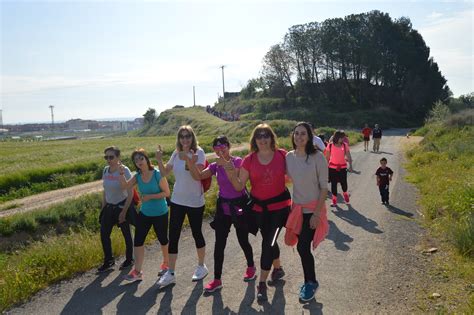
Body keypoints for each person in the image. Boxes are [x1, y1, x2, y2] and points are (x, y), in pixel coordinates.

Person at [226, 123, 291, 302]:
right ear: (254, 140)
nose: (263, 139)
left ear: (272, 138)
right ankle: (277, 268)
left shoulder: (282, 155)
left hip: (279, 208)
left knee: (268, 242)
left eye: (266, 135)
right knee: (269, 239)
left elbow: (296, 176)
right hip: (259, 210)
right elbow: (240, 186)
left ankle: (261, 283)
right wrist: (231, 173)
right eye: (259, 136)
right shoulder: (250, 159)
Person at [187, 135, 256, 293]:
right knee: (219, 244)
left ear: (228, 146)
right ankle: (217, 280)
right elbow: (198, 176)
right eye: (216, 148)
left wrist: (226, 165)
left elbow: (238, 184)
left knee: (242, 240)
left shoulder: (238, 161)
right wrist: (191, 162)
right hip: (223, 207)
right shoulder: (214, 166)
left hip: (238, 206)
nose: (220, 150)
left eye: (223, 146)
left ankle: (251, 266)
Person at [155, 125, 208, 288]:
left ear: (192, 137)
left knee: (196, 233)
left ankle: (201, 266)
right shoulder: (176, 154)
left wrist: (189, 161)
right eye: (182, 137)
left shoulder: (199, 153)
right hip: (177, 200)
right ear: (179, 139)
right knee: (174, 235)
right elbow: (164, 173)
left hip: (194, 201)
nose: (185, 139)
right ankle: (170, 273)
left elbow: (197, 176)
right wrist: (158, 159)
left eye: (188, 136)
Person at [285, 122, 329, 301]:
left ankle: (310, 282)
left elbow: (324, 188)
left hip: (313, 209)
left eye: (303, 134)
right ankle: (310, 281)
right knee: (301, 246)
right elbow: (283, 178)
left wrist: (317, 214)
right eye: (296, 134)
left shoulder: (318, 157)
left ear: (310, 136)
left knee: (303, 247)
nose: (299, 137)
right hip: (296, 209)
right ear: (292, 136)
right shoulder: (289, 157)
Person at [119, 149, 170, 282]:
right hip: (145, 213)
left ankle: (166, 264)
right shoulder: (137, 176)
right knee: (138, 241)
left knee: (163, 239)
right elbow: (124, 186)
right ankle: (137, 271)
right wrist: (121, 174)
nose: (139, 162)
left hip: (160, 212)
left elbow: (167, 193)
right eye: (136, 160)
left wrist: (150, 196)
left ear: (147, 159)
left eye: (141, 158)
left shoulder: (157, 174)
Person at [98, 146, 135, 272]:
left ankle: (130, 259)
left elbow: (130, 193)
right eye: (106, 157)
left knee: (126, 234)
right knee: (104, 234)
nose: (108, 159)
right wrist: (103, 207)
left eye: (111, 157)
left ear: (118, 157)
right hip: (109, 207)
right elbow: (105, 190)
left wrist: (124, 211)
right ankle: (109, 261)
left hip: (122, 205)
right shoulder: (105, 170)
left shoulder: (124, 170)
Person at [325, 130, 353, 207]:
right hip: (332, 168)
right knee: (333, 184)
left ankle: (345, 193)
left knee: (344, 183)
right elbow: (327, 158)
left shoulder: (345, 145)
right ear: (337, 137)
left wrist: (350, 165)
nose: (343, 139)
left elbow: (348, 156)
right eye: (341, 137)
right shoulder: (330, 145)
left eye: (343, 137)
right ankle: (334, 200)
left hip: (343, 167)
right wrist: (325, 169)